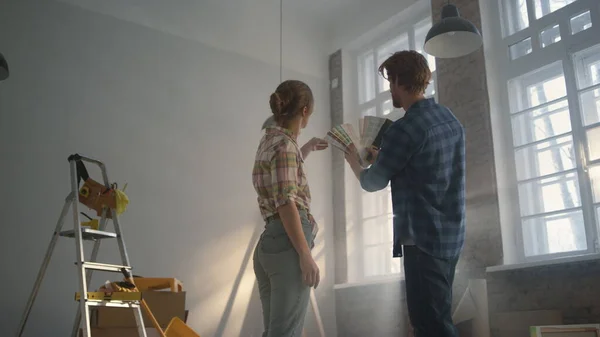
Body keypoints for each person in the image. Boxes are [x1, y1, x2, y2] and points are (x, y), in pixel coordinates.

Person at [344, 50, 466, 337]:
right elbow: (426, 169)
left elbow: (372, 182)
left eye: (390, 83)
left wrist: (353, 159)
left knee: (430, 325)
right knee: (440, 317)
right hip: (452, 236)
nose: (390, 91)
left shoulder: (404, 128)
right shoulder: (448, 118)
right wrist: (384, 157)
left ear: (399, 80)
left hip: (422, 241)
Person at [252, 79, 329, 337]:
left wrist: (304, 150)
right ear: (305, 110)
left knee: (275, 332)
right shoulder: (286, 147)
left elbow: (280, 180)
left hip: (268, 246)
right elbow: (286, 202)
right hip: (287, 244)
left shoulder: (269, 141)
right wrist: (305, 255)